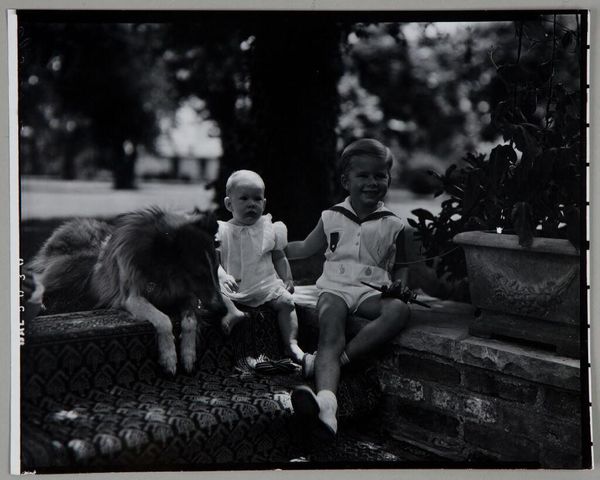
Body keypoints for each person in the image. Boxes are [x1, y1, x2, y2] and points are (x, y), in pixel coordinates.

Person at [285, 138, 411, 438]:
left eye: (380, 175)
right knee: (330, 331)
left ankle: (338, 360)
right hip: (336, 289)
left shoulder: (395, 224)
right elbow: (305, 248)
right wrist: (272, 248)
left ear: (389, 179)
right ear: (346, 181)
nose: (372, 182)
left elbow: (403, 266)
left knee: (399, 311)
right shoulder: (331, 216)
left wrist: (400, 287)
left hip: (372, 291)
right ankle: (327, 406)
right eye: (363, 175)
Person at [216, 169, 304, 364]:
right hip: (233, 287)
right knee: (214, 290)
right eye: (244, 198)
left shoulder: (269, 228)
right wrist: (222, 275)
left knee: (287, 302)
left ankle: (291, 343)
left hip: (264, 285)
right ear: (229, 204)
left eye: (257, 199)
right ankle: (233, 311)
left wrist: (287, 278)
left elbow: (279, 256)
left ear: (264, 203)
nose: (251, 204)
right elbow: (215, 262)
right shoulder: (222, 231)